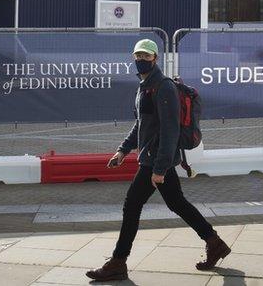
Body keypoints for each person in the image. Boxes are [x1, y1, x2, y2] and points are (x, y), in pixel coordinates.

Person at [86, 39, 230, 282]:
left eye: (146, 56)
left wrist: (160, 168)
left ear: (156, 58)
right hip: (153, 158)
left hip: (155, 161)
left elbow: (170, 130)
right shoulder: (144, 86)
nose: (141, 59)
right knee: (177, 203)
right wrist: (123, 150)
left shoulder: (163, 87)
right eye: (137, 55)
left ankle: (118, 262)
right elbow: (141, 124)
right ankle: (214, 242)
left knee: (132, 205)